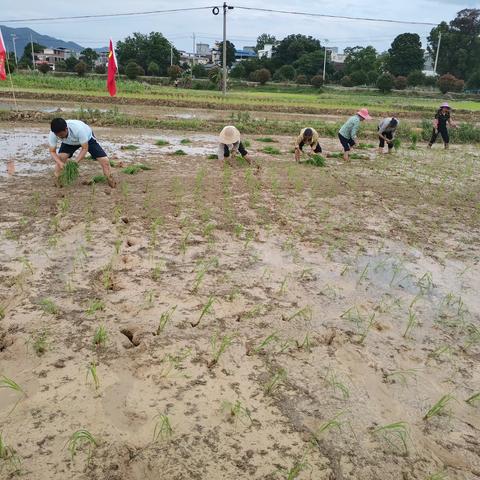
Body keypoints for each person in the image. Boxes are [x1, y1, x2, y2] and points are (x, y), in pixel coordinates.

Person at [48, 118, 116, 188]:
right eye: (58, 136)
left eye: (62, 135)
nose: (61, 137)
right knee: (61, 158)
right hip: (68, 143)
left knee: (105, 161)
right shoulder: (53, 133)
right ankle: (58, 182)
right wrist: (60, 163)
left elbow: (84, 148)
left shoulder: (79, 130)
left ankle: (111, 182)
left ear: (66, 129)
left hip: (88, 139)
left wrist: (75, 162)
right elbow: (52, 151)